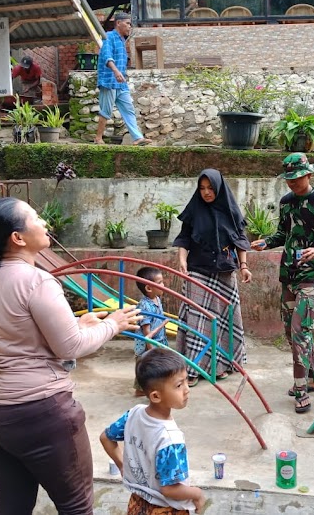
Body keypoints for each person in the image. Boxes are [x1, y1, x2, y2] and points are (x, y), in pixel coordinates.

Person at [0, 197, 141, 515]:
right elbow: (70, 347)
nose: (44, 222)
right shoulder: (38, 281)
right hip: (36, 413)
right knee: (76, 506)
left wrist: (78, 323)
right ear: (18, 238)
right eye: (35, 218)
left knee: (13, 505)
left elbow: (17, 334)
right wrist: (112, 325)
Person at [250, 152, 314, 413]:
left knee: (301, 331)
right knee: (291, 333)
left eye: (297, 178)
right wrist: (266, 241)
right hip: (288, 274)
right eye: (289, 179)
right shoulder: (286, 202)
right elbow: (282, 233)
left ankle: (301, 390)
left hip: (311, 277)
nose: (293, 183)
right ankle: (313, 377)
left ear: (308, 175)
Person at [100, 349, 206, 514]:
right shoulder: (170, 439)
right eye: (179, 385)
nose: (187, 389)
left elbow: (106, 438)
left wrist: (123, 466)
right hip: (166, 509)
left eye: (186, 381)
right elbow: (170, 489)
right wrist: (197, 494)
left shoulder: (134, 414)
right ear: (156, 396)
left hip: (137, 502)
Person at [173, 169, 252, 387]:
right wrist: (182, 261)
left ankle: (222, 365)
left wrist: (243, 266)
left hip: (225, 273)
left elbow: (240, 241)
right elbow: (183, 239)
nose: (206, 192)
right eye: (202, 188)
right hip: (198, 270)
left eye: (210, 188)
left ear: (219, 188)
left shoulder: (231, 212)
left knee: (225, 321)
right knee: (198, 321)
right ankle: (194, 368)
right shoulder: (194, 210)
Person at [96, 12, 151, 146]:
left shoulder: (122, 40)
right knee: (106, 111)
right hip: (109, 80)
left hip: (121, 84)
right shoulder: (108, 37)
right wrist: (115, 71)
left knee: (129, 109)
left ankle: (137, 137)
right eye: (127, 23)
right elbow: (106, 56)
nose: (129, 26)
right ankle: (98, 138)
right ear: (118, 23)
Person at [134, 266, 170, 396]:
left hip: (159, 340)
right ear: (149, 288)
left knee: (157, 368)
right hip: (147, 346)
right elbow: (147, 334)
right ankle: (140, 392)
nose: (163, 285)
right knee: (145, 369)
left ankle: (155, 388)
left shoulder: (157, 299)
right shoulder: (145, 306)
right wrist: (151, 349)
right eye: (160, 282)